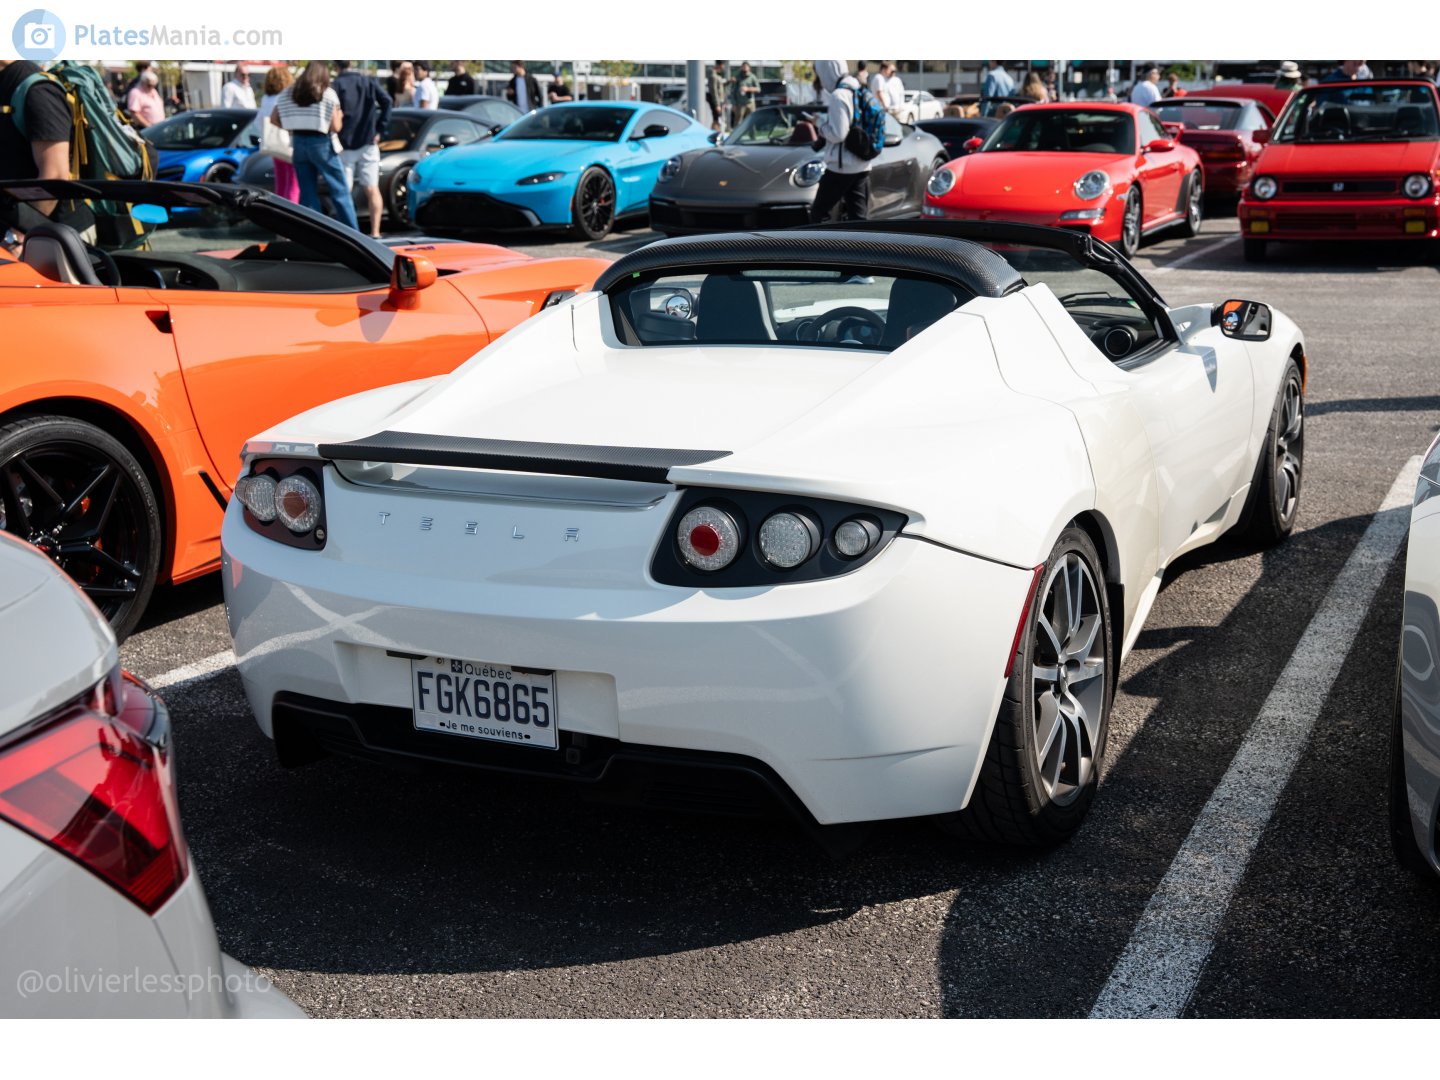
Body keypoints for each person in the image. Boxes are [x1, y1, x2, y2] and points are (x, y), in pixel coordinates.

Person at [271, 61, 359, 231]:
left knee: (307, 193)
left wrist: (291, 126)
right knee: (339, 190)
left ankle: (314, 233)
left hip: (298, 142)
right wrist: (339, 114)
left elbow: (274, 118)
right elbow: (336, 127)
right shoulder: (327, 94)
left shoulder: (288, 92)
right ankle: (354, 233)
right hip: (321, 143)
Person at [333, 60, 393, 238]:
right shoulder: (368, 81)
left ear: (336, 66)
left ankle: (348, 231)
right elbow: (387, 102)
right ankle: (375, 232)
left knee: (345, 190)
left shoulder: (337, 85)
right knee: (372, 188)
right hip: (368, 142)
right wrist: (380, 129)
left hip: (345, 143)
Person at [809, 60, 870, 223]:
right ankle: (861, 247)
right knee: (858, 218)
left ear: (826, 71)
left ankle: (822, 248)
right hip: (862, 162)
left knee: (819, 215)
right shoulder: (857, 87)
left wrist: (819, 124)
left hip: (841, 166)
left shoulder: (839, 95)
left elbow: (838, 134)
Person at [256, 65, 299, 203]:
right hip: (287, 144)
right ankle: (293, 215)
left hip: (273, 145)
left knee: (280, 183)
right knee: (293, 184)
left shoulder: (265, 99)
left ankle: (280, 211)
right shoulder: (286, 96)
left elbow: (258, 121)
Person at [730, 61, 759, 125]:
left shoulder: (752, 77)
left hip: (750, 103)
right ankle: (736, 134)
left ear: (749, 68)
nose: (745, 68)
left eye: (746, 66)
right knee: (738, 122)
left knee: (751, 120)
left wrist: (748, 89)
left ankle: (752, 134)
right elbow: (733, 92)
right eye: (743, 66)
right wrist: (733, 104)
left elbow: (758, 89)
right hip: (740, 103)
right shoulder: (738, 77)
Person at [707, 61, 727, 131]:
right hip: (716, 102)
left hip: (719, 101)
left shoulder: (717, 76)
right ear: (720, 65)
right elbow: (714, 91)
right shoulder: (713, 76)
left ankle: (716, 132)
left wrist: (729, 82)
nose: (724, 67)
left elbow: (720, 87)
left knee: (718, 119)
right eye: (723, 65)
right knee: (716, 119)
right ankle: (714, 133)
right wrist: (717, 105)